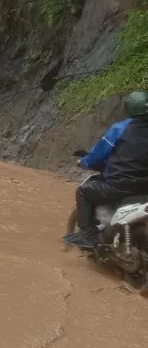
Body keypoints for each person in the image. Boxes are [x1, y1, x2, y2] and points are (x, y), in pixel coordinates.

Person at [65, 91, 148, 249]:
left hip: (118, 186)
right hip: (144, 189)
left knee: (83, 191)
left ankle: (88, 236)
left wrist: (83, 162)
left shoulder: (120, 128)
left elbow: (97, 156)